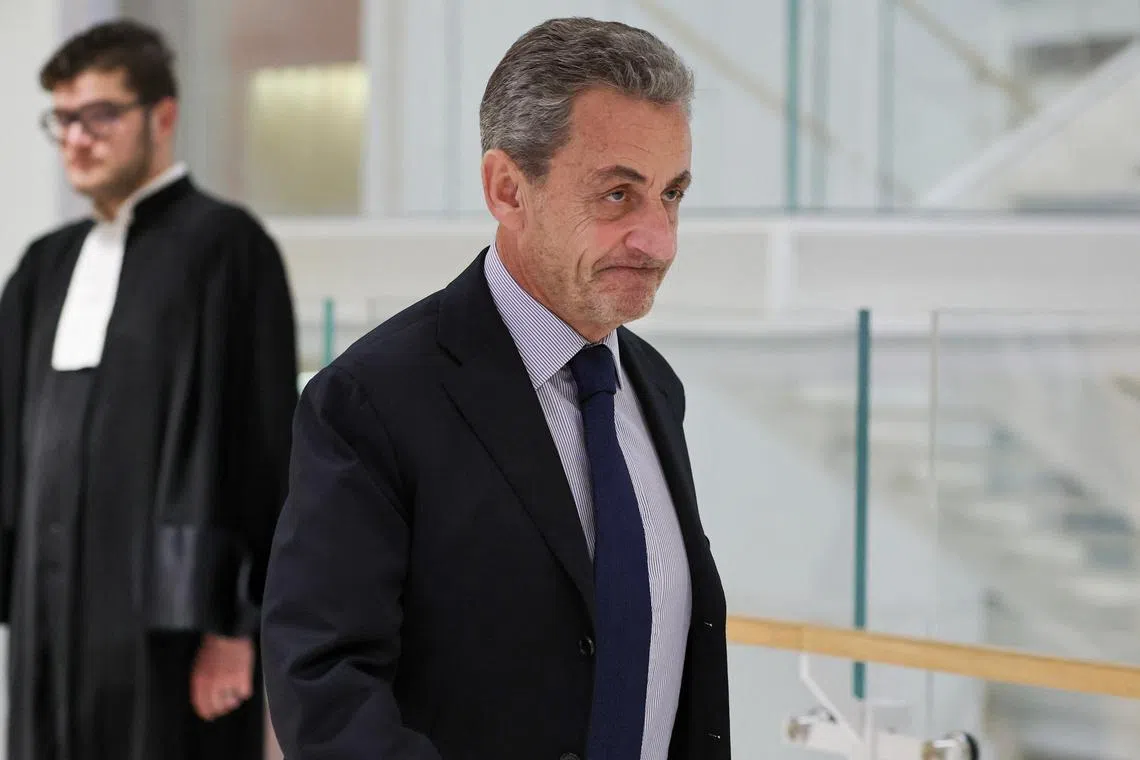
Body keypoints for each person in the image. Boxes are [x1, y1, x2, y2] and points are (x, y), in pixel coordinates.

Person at [261, 16, 730, 760]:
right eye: (617, 195)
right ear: (508, 188)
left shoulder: (653, 387)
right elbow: (321, 687)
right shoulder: (371, 401)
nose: (659, 239)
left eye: (671, 194)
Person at [0, 19, 298, 760]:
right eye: (63, 119)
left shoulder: (229, 249)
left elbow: (260, 448)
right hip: (50, 619)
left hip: (171, 625)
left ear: (161, 116)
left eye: (100, 115)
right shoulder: (45, 266)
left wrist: (235, 629)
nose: (77, 137)